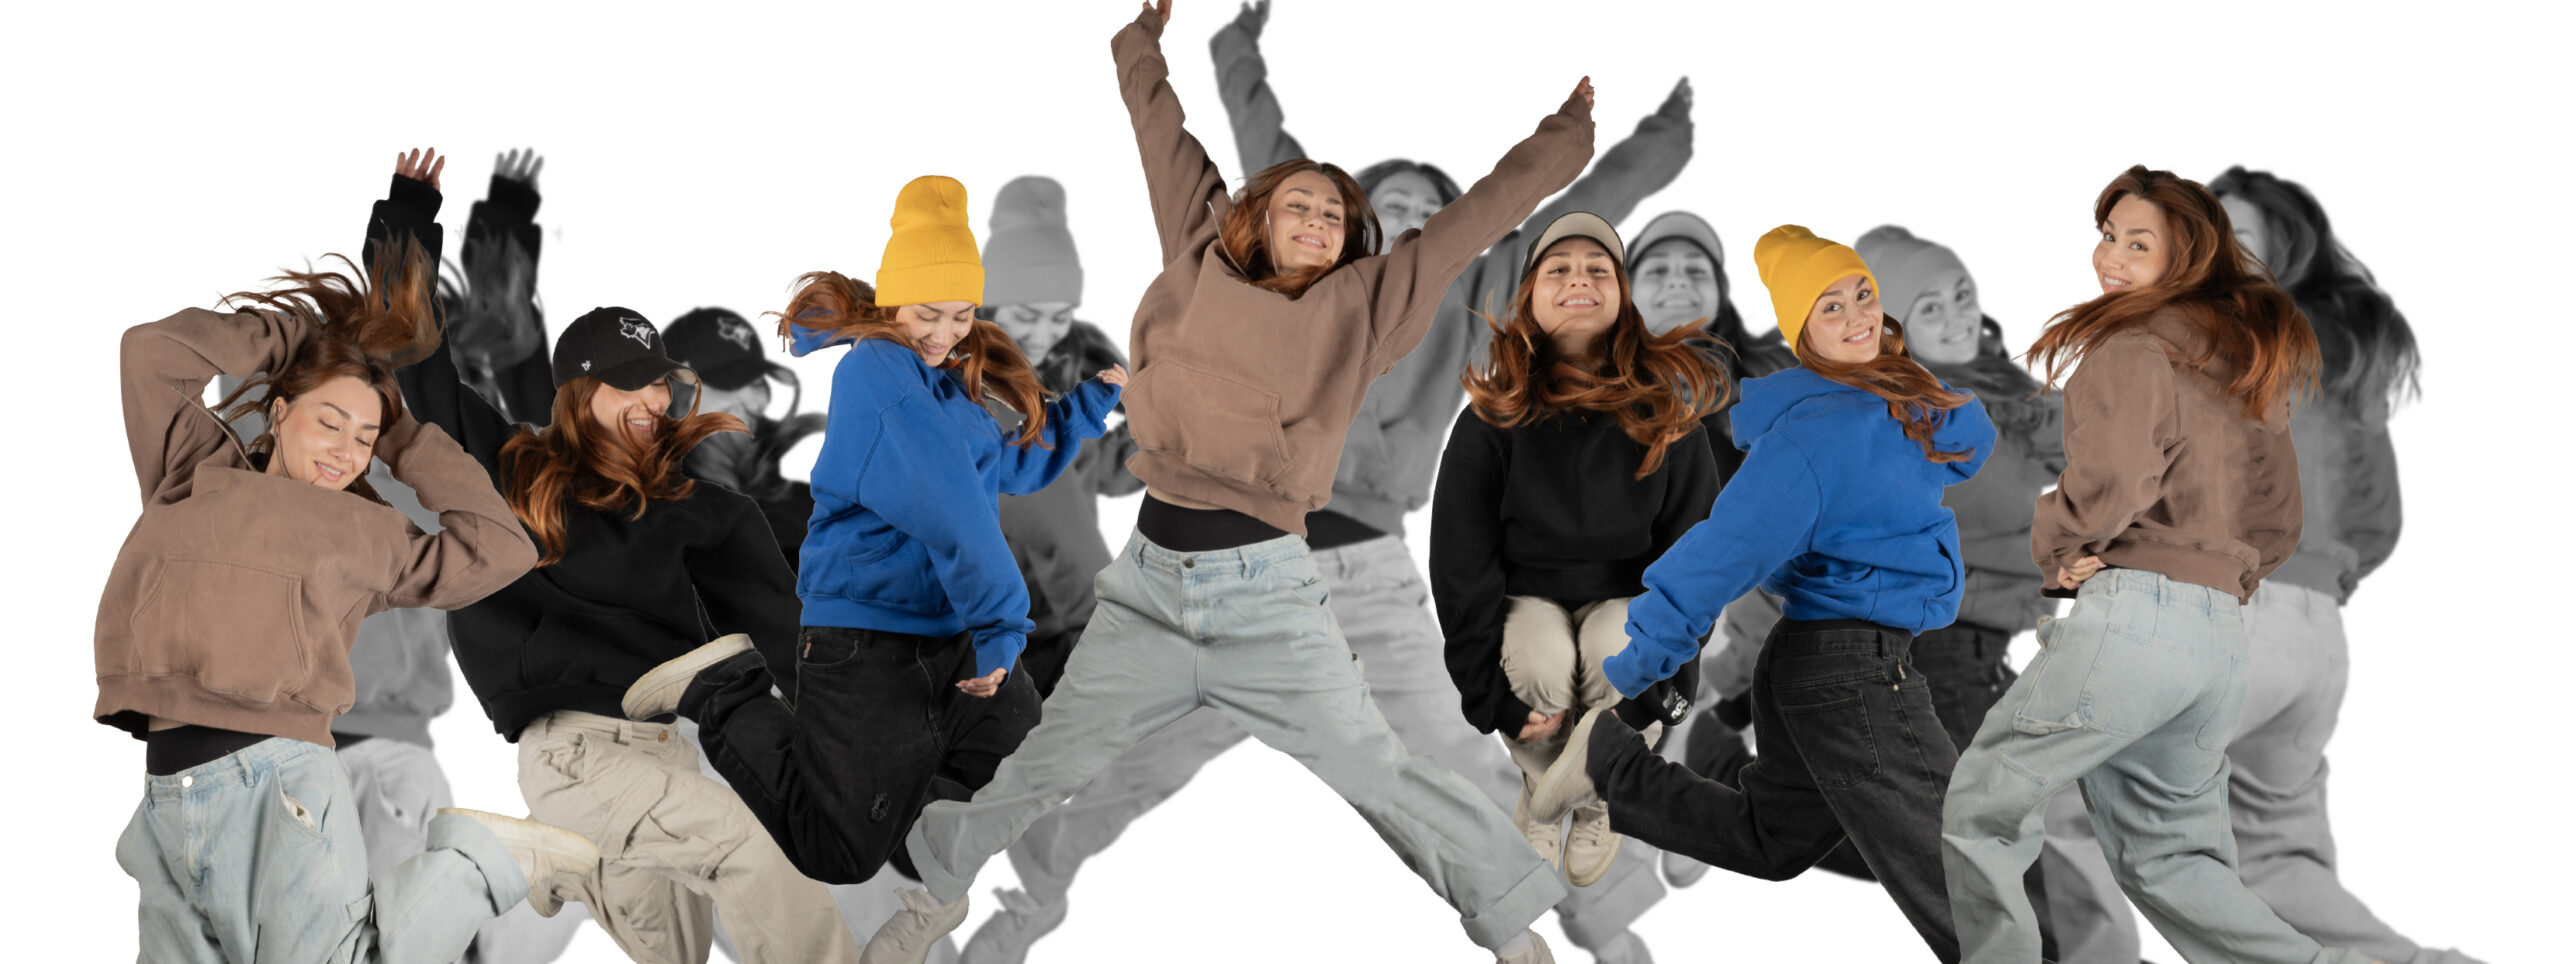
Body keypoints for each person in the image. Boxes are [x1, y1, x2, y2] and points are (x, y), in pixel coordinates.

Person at [857, 4, 1597, 961]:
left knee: (1379, 766)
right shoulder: (1200, 243)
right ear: (1258, 214)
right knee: (1048, 763)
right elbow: (1161, 130)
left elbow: (1479, 217)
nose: (1322, 221)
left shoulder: (1368, 303)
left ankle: (1512, 927)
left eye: (1338, 215)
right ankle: (930, 902)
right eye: (1303, 203)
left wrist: (1564, 138)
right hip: (1150, 585)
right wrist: (1139, 43)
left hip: (1272, 600)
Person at [101, 147, 590, 964]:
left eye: (363, 434)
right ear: (283, 406)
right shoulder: (201, 466)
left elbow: (504, 538)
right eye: (329, 423)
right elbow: (151, 355)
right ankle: (515, 881)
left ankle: (502, 866)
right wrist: (304, 325)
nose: (345, 447)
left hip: (316, 761)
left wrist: (398, 436)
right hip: (179, 783)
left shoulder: (376, 513)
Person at [393, 169, 862, 960]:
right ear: (581, 391)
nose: (652, 400)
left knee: (677, 953)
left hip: (665, 754)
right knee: (750, 848)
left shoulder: (699, 512)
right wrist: (407, 225)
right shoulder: (516, 469)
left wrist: (880, 728)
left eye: (659, 384)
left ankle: (549, 862)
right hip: (574, 757)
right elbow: (423, 368)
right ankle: (533, 859)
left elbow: (792, 636)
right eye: (628, 384)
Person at [624, 175, 1124, 892]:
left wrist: (1086, 407)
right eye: (928, 314)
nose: (946, 333)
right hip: (868, 639)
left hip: (940, 629)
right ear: (893, 303)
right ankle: (719, 690)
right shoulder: (879, 377)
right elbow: (956, 507)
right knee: (837, 855)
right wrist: (1003, 624)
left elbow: (1001, 468)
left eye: (961, 315)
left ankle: (903, 846)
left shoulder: (945, 374)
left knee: (1025, 760)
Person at [1937, 164, 2381, 964]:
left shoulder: (2131, 345)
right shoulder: (2248, 364)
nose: (2111, 257)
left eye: (2139, 244)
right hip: (2218, 638)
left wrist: (2059, 546)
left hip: (2135, 617)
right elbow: (2280, 513)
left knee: (1982, 803)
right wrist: (2227, 582)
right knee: (2174, 863)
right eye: (2109, 235)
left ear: (2186, 262)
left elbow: (2112, 484)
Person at [1571, 225, 1995, 961]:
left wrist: (1894, 370)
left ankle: (1602, 767)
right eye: (1830, 308)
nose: (1858, 314)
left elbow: (1970, 440)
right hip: (1850, 673)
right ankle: (1599, 740)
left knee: (1773, 841)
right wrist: (1634, 673)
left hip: (1840, 667)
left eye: (1863, 294)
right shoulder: (1809, 442)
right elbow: (1718, 557)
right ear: (1802, 333)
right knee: (1962, 873)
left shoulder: (1882, 406)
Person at [1428, 212, 1725, 891]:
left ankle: (1601, 799)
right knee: (1541, 653)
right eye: (1558, 270)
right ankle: (1542, 786)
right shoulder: (1492, 417)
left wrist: (1666, 692)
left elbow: (1699, 560)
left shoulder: (1669, 413)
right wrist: (1491, 699)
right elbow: (1459, 562)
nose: (1578, 281)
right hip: (1526, 598)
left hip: (1632, 603)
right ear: (1530, 296)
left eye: (1597, 269)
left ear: (1622, 295)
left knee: (1616, 644)